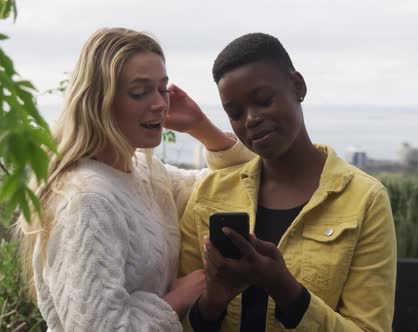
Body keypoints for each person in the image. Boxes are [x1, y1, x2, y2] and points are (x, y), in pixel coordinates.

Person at [15, 28, 255, 331]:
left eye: (162, 89)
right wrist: (176, 301)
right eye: (140, 92)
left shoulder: (144, 174)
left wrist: (200, 125)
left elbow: (234, 180)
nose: (160, 104)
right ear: (99, 101)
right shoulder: (85, 201)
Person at [179, 33, 397, 331]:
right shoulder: (209, 194)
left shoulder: (364, 199)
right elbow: (178, 321)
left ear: (297, 86)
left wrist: (286, 290)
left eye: (263, 100)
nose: (251, 119)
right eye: (235, 113)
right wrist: (213, 301)